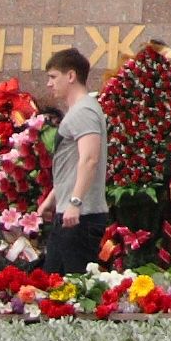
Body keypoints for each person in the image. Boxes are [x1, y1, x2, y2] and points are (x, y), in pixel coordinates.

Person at [39, 47, 109, 273]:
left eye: (53, 77)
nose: (49, 84)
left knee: (72, 292)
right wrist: (53, 197)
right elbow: (71, 164)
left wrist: (75, 203)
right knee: (56, 287)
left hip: (81, 217)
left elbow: (89, 159)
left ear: (71, 76)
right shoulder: (80, 111)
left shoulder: (84, 112)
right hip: (73, 214)